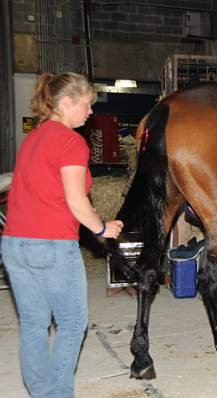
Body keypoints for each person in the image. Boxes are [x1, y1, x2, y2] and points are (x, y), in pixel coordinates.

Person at [1, 72, 123, 397]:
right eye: (86, 105)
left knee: (33, 323)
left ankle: (41, 392)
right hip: (51, 244)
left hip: (14, 243)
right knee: (72, 323)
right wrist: (102, 227)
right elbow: (75, 199)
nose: (90, 113)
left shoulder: (34, 138)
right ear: (67, 102)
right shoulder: (71, 141)